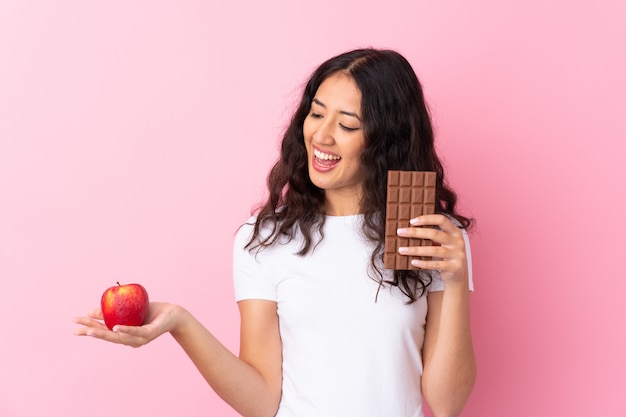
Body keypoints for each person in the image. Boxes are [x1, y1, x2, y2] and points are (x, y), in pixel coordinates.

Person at [74, 47, 476, 417]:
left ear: (386, 140)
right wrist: (180, 322)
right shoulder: (266, 239)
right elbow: (264, 399)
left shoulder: (430, 237)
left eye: (347, 124)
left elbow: (446, 403)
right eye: (316, 114)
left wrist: (455, 281)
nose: (321, 135)